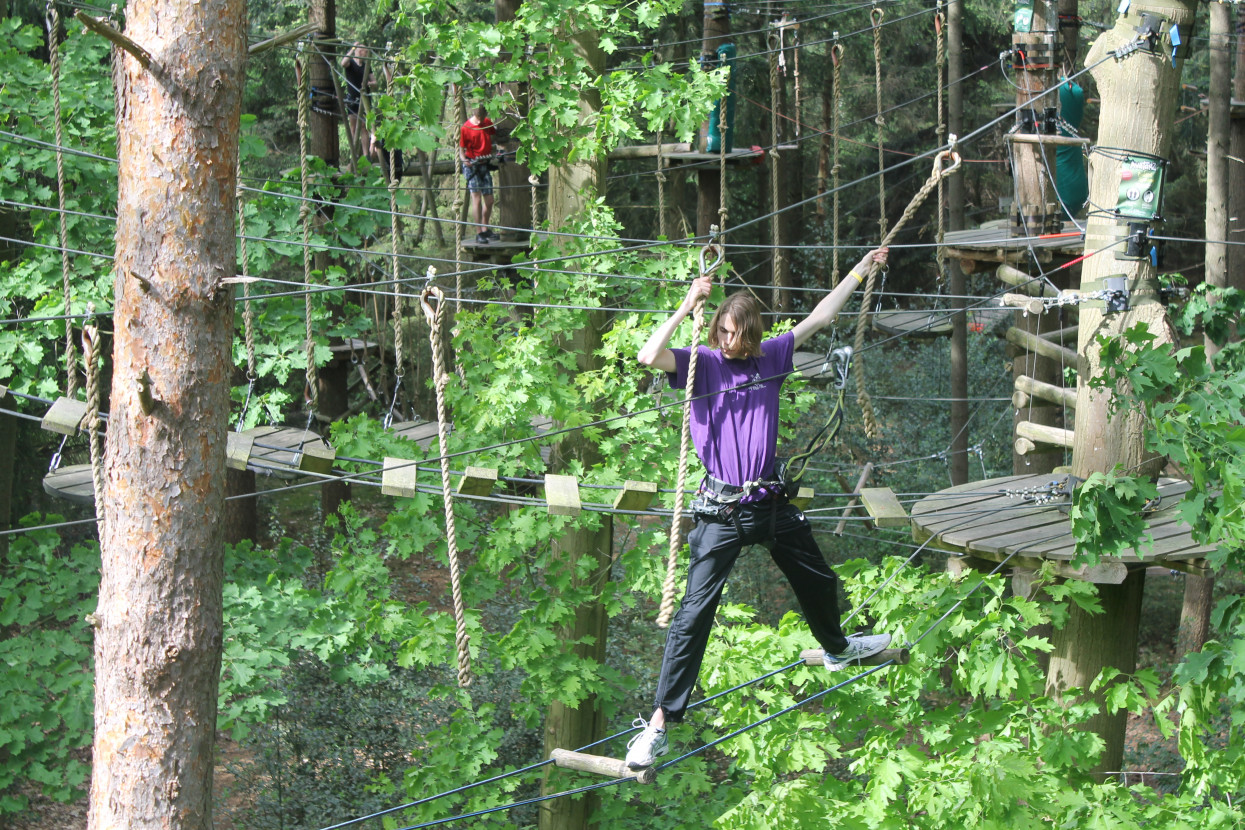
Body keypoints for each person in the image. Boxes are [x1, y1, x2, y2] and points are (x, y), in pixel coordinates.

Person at [625, 247, 894, 770]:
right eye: (725, 333)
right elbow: (646, 356)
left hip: (769, 501)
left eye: (741, 335)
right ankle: (658, 723)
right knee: (693, 616)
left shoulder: (770, 356)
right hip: (720, 513)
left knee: (818, 578)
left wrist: (861, 270)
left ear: (754, 333)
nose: (732, 343)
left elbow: (821, 316)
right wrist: (686, 305)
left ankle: (837, 647)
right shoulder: (700, 363)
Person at [459, 105, 498, 244]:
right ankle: (479, 233)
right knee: (476, 199)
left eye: (483, 118)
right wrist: (465, 161)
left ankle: (485, 227)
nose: (481, 121)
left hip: (484, 164)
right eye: (478, 119)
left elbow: (495, 136)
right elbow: (461, 151)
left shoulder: (487, 123)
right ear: (475, 115)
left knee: (489, 200)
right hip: (472, 165)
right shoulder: (466, 128)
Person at [342, 43, 377, 160]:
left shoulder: (366, 67)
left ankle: (366, 154)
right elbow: (343, 63)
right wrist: (352, 48)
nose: (365, 53)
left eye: (366, 51)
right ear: (358, 51)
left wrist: (369, 84)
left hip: (365, 99)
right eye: (363, 51)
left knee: (363, 127)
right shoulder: (351, 64)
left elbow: (375, 83)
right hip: (353, 99)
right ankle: (354, 153)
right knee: (353, 127)